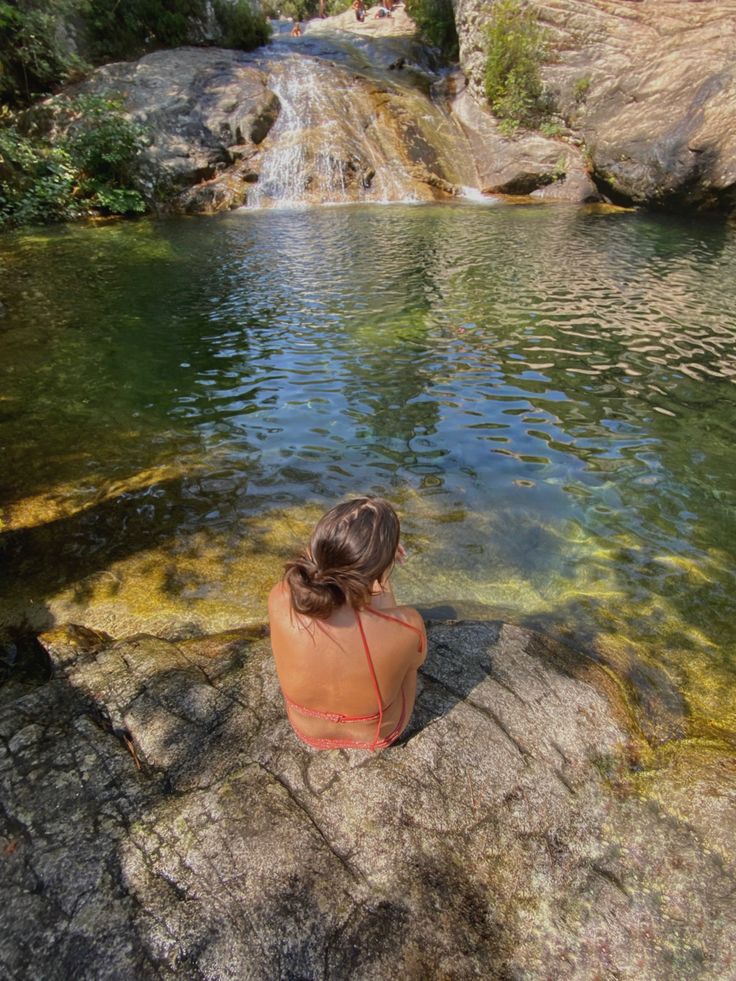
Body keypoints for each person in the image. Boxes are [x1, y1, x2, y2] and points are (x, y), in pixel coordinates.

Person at [269, 497, 427, 751]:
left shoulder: (280, 596)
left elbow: (314, 567)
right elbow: (416, 663)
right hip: (376, 735)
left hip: (305, 728)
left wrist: (371, 561)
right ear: (382, 566)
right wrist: (382, 577)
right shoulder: (408, 624)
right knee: (405, 660)